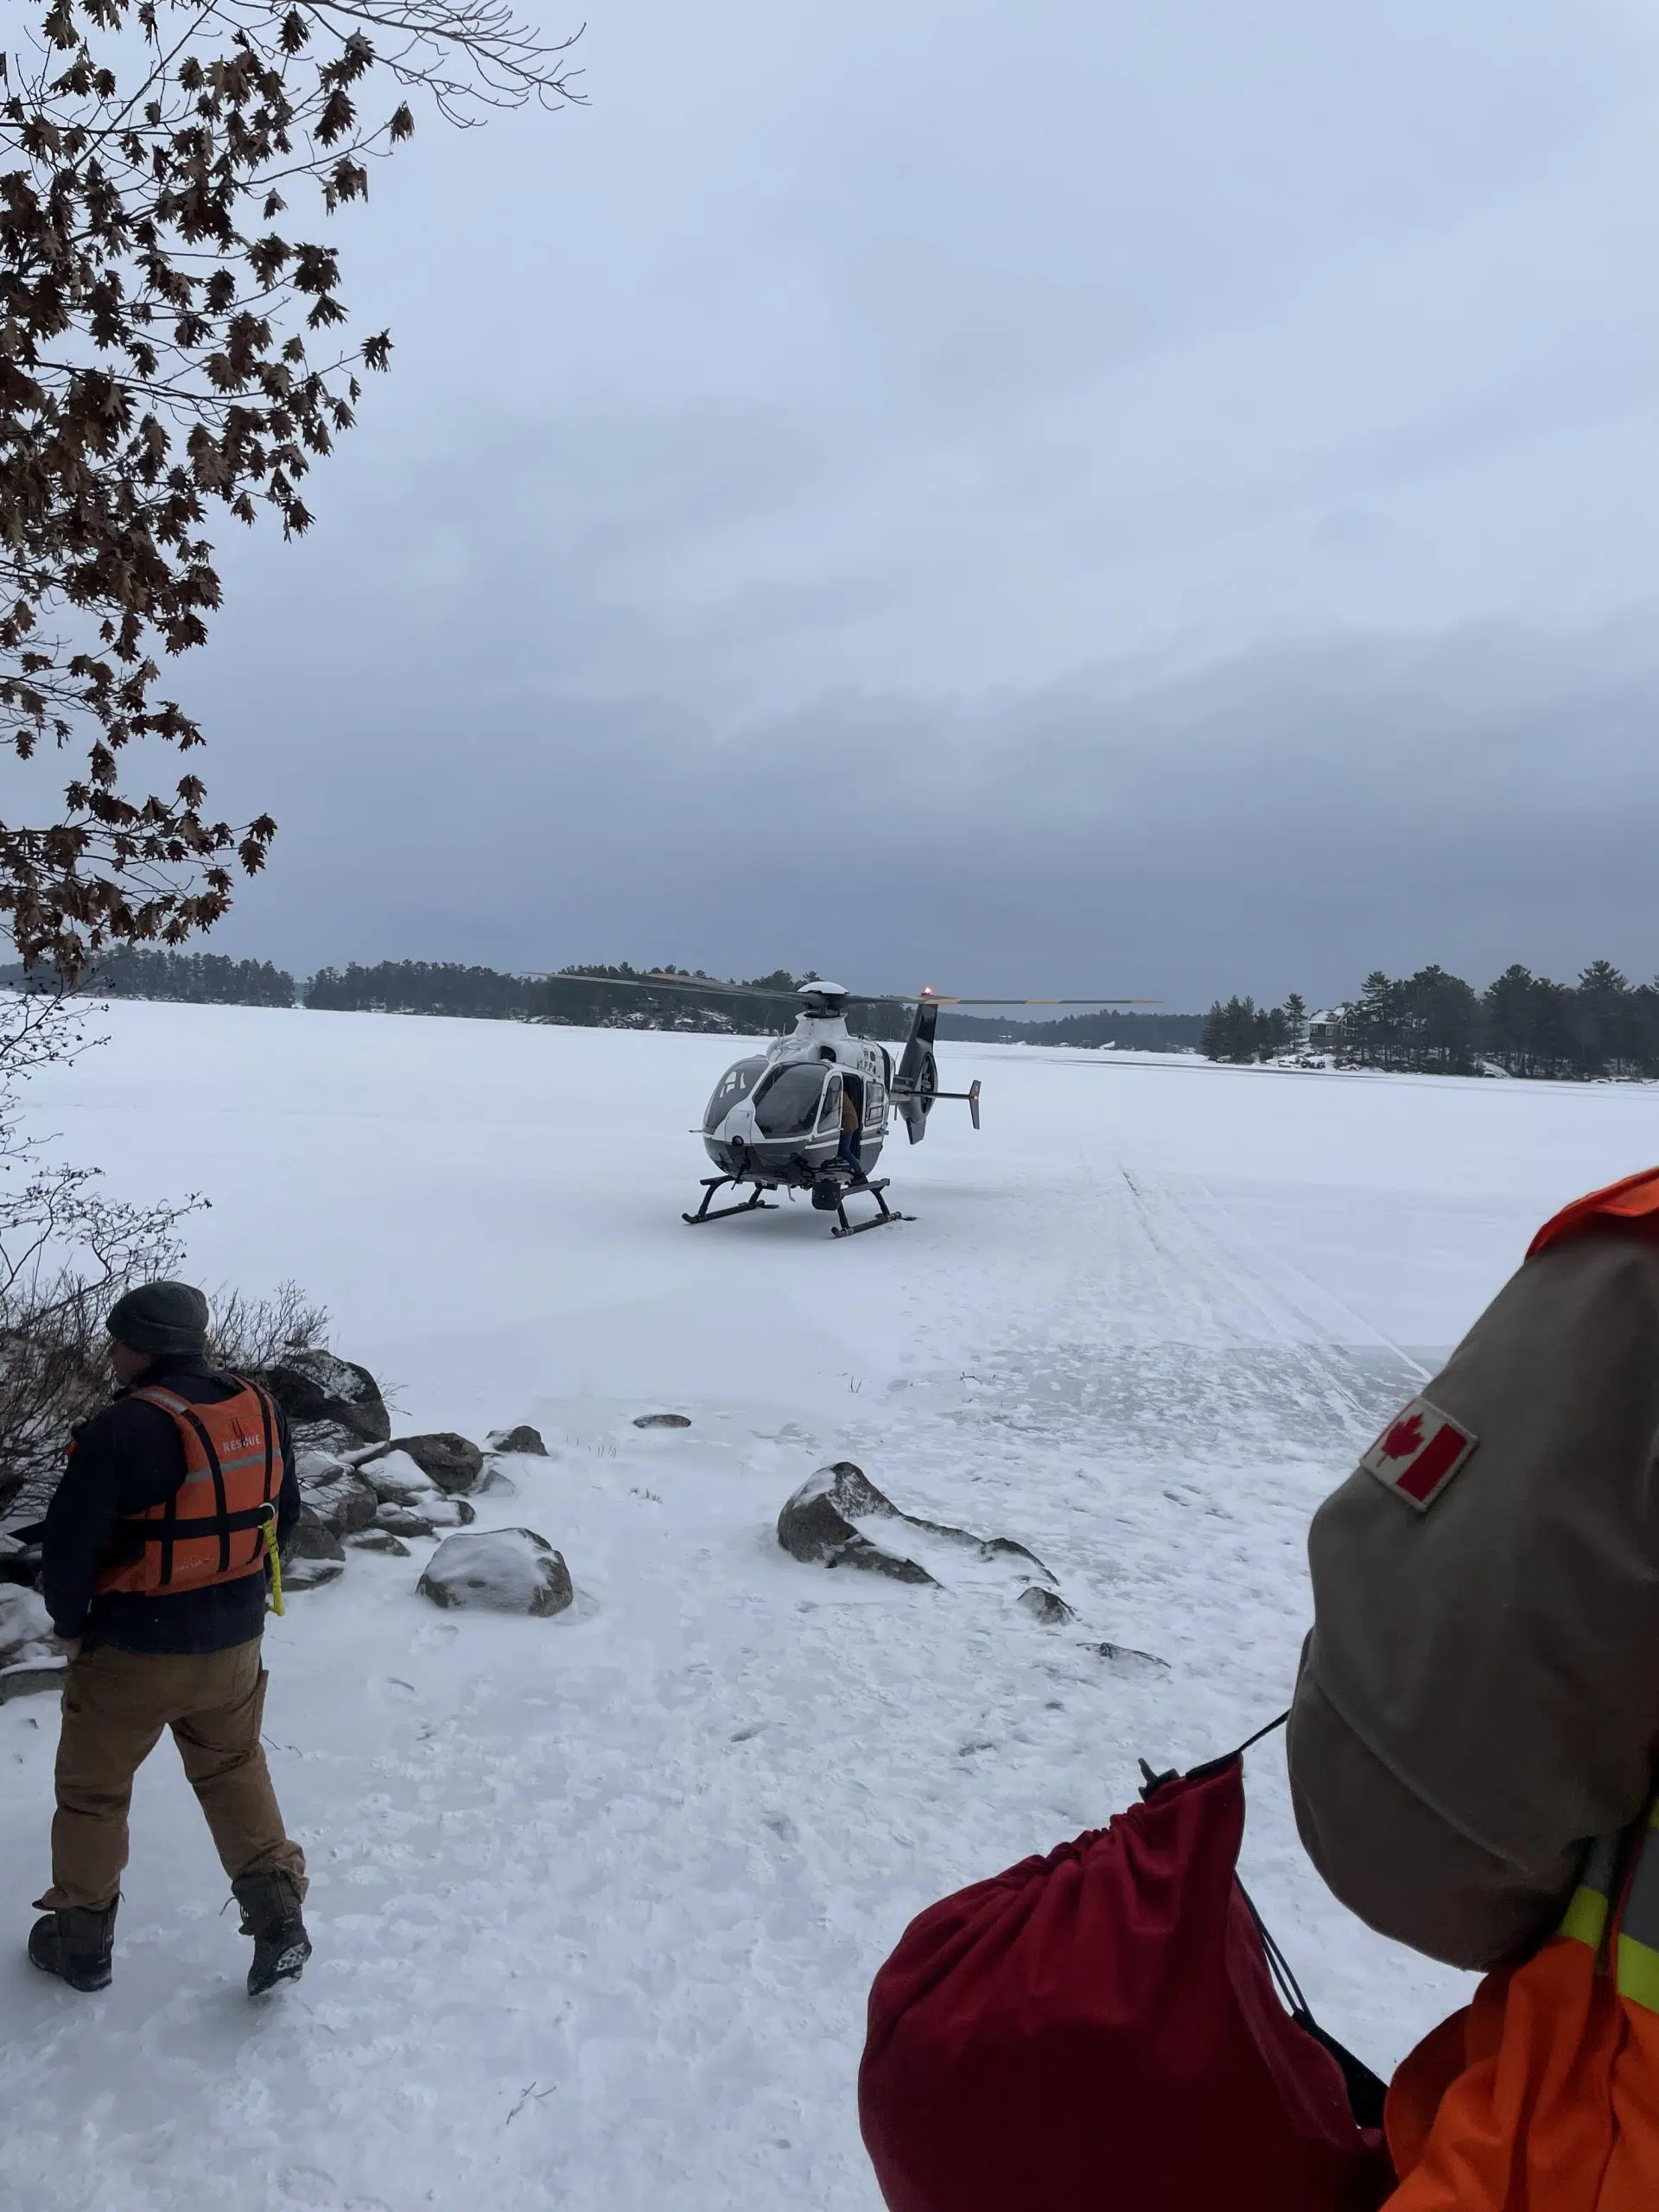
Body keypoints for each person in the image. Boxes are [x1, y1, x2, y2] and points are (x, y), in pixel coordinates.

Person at [29, 1281, 310, 1998]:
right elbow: (288, 1516)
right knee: (233, 1768)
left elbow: (69, 1549)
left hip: (131, 1651)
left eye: (118, 1341)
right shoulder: (262, 1406)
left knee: (93, 1795)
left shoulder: (122, 1429)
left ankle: (82, 1944)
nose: (111, 1353)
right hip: (233, 1645)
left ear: (144, 1346)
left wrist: (68, 1626)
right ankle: (278, 1917)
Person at [837, 1080, 863, 1176]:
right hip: (849, 1123)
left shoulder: (838, 1095)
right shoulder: (842, 1094)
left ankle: (858, 1171)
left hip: (848, 1124)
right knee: (843, 1149)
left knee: (845, 1150)